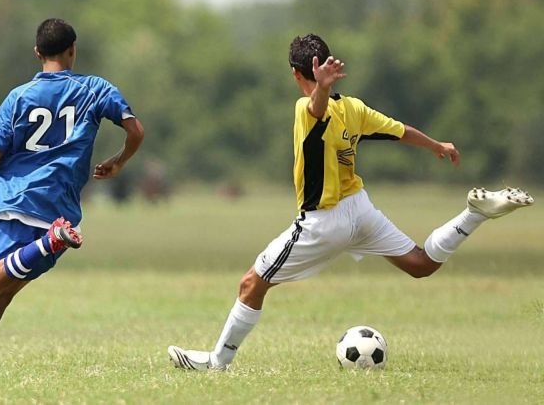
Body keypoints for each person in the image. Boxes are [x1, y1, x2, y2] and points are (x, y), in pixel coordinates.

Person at [167, 33, 533, 370]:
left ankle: (218, 362)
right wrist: (437, 145)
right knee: (421, 263)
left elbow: (315, 109)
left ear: (296, 74)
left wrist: (319, 90)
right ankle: (473, 214)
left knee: (251, 284)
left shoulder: (304, 107)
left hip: (323, 221)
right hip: (360, 208)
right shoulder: (354, 108)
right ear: (325, 65)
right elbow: (399, 130)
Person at [0, 18, 144, 370]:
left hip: (18, 203)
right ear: (73, 50)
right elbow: (135, 130)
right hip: (60, 209)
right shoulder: (95, 89)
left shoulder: (17, 98)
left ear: (37, 53)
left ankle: (48, 242)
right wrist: (118, 162)